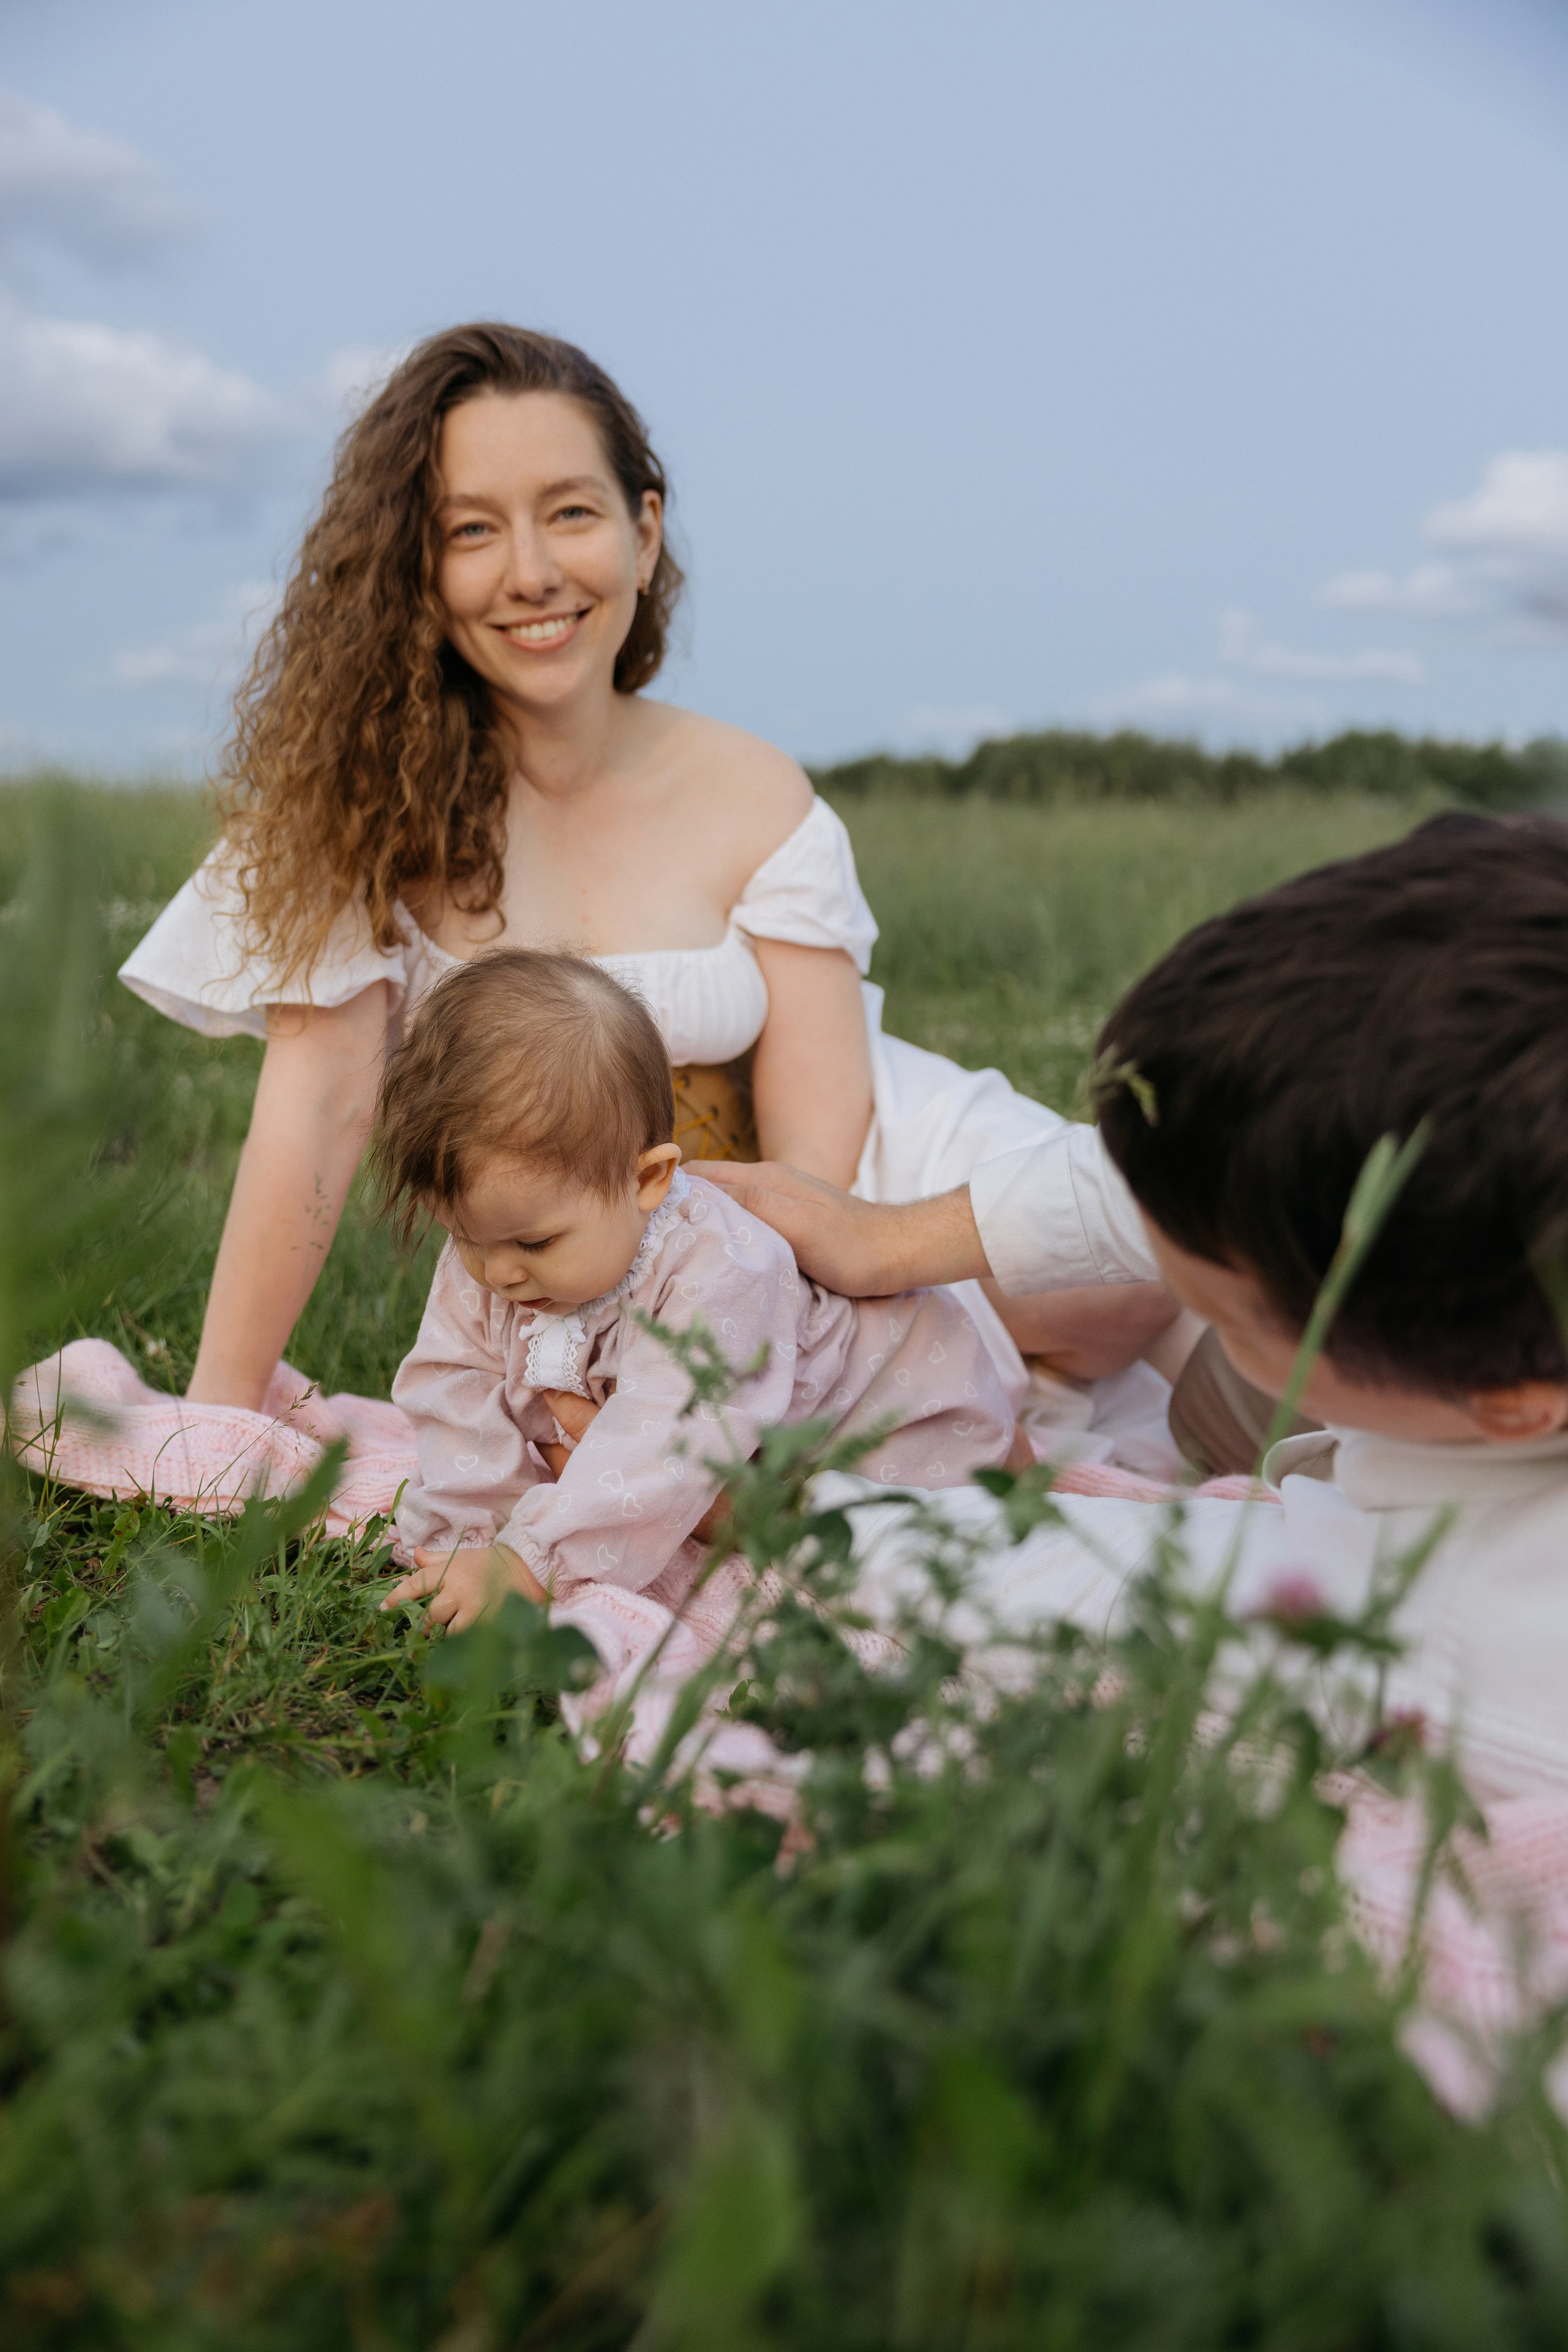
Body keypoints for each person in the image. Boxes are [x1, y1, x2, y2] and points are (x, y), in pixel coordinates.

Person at [118, 322, 1171, 1430]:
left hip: (851, 1185)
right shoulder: (358, 808)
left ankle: (1021, 1400)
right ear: (416, 568)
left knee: (1134, 1282)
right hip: (582, 1260)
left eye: (571, 512)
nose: (531, 573)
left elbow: (821, 1150)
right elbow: (317, 1112)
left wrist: (764, 1325)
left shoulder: (754, 788)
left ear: (644, 528)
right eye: (472, 529)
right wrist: (218, 1417)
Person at [710, 813, 1568, 1801]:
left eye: (1239, 1314)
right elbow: (1217, 1159)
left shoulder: (1473, 1630)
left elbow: (1109, 1593)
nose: (1165, 1253)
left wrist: (784, 1513)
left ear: (1510, 1399)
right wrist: (884, 1237)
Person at [372, 947, 1017, 1634]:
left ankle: (1009, 1466)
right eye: (465, 1238)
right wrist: (470, 1539)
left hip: (894, 1419)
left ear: (647, 1181)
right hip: (756, 1457)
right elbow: (454, 1383)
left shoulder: (718, 1269)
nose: (497, 1273)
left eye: (534, 1245)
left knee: (870, 1561)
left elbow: (667, 1444)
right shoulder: (503, 1238)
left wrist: (534, 1560)